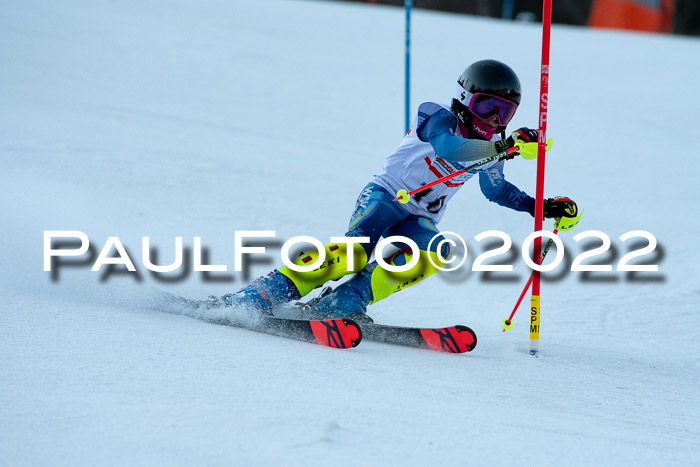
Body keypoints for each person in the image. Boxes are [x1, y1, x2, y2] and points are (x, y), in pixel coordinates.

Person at [214, 59, 578, 321]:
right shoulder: (438, 116)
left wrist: (543, 207)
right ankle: (267, 291)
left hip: (419, 217)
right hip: (386, 196)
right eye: (488, 106)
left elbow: (495, 191)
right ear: (466, 98)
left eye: (506, 113)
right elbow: (449, 148)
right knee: (354, 253)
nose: (496, 120)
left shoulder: (493, 147)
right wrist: (504, 146)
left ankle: (344, 302)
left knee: (437, 252)